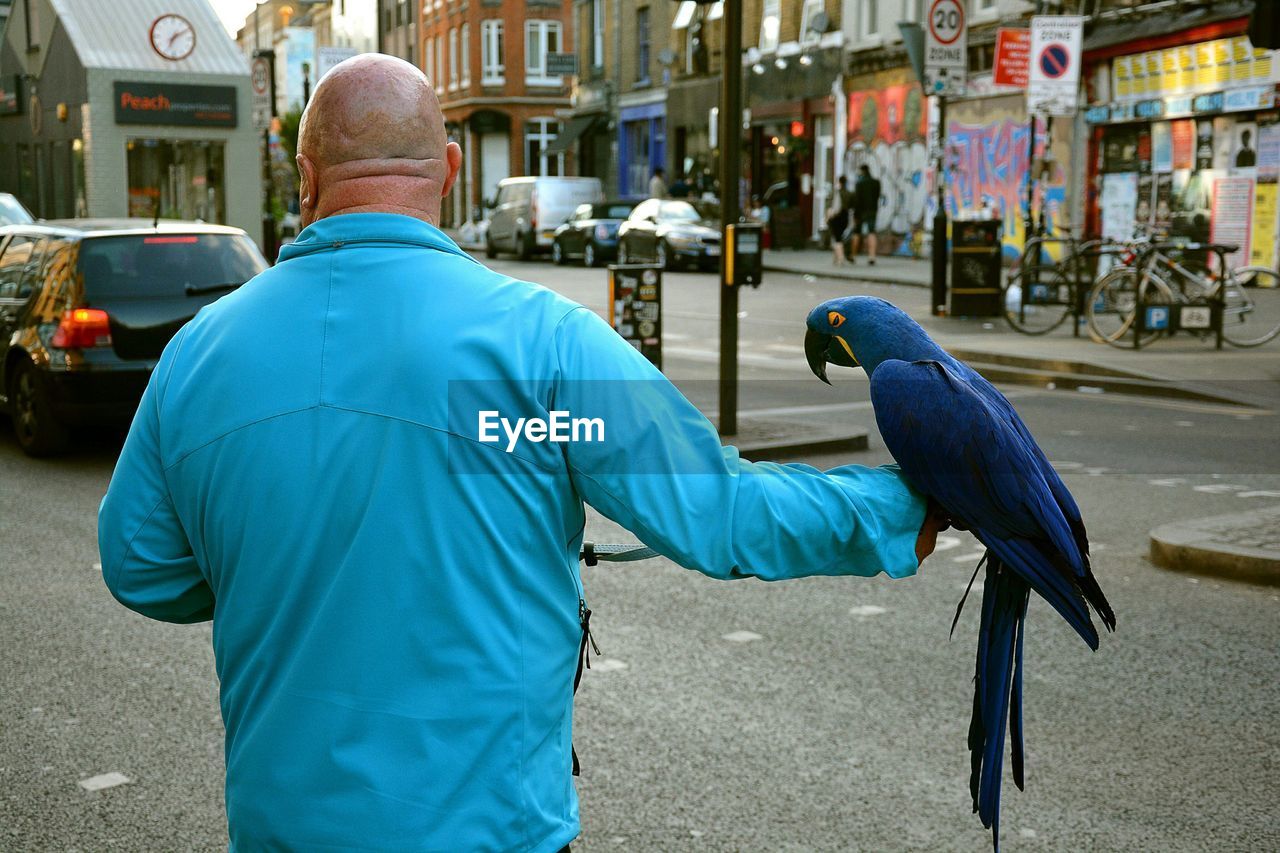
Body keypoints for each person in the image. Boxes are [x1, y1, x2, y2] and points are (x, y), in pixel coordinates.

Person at [98, 54, 947, 852]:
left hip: (283, 825)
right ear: (453, 170)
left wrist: (284, 573)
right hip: (489, 827)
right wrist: (896, 505)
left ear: (306, 175)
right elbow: (716, 510)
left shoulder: (196, 355)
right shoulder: (547, 347)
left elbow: (138, 564)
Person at [851, 164, 882, 265]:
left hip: (861, 211)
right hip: (872, 210)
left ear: (862, 171)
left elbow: (857, 200)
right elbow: (877, 197)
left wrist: (855, 215)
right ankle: (872, 256)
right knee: (871, 232)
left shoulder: (859, 184)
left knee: (856, 233)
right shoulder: (876, 183)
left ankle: (853, 256)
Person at [826, 175, 852, 265]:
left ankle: (840, 258)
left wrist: (829, 215)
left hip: (837, 217)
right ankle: (835, 259)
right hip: (845, 217)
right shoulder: (849, 193)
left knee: (837, 239)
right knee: (838, 236)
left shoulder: (838, 193)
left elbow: (836, 208)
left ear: (839, 182)